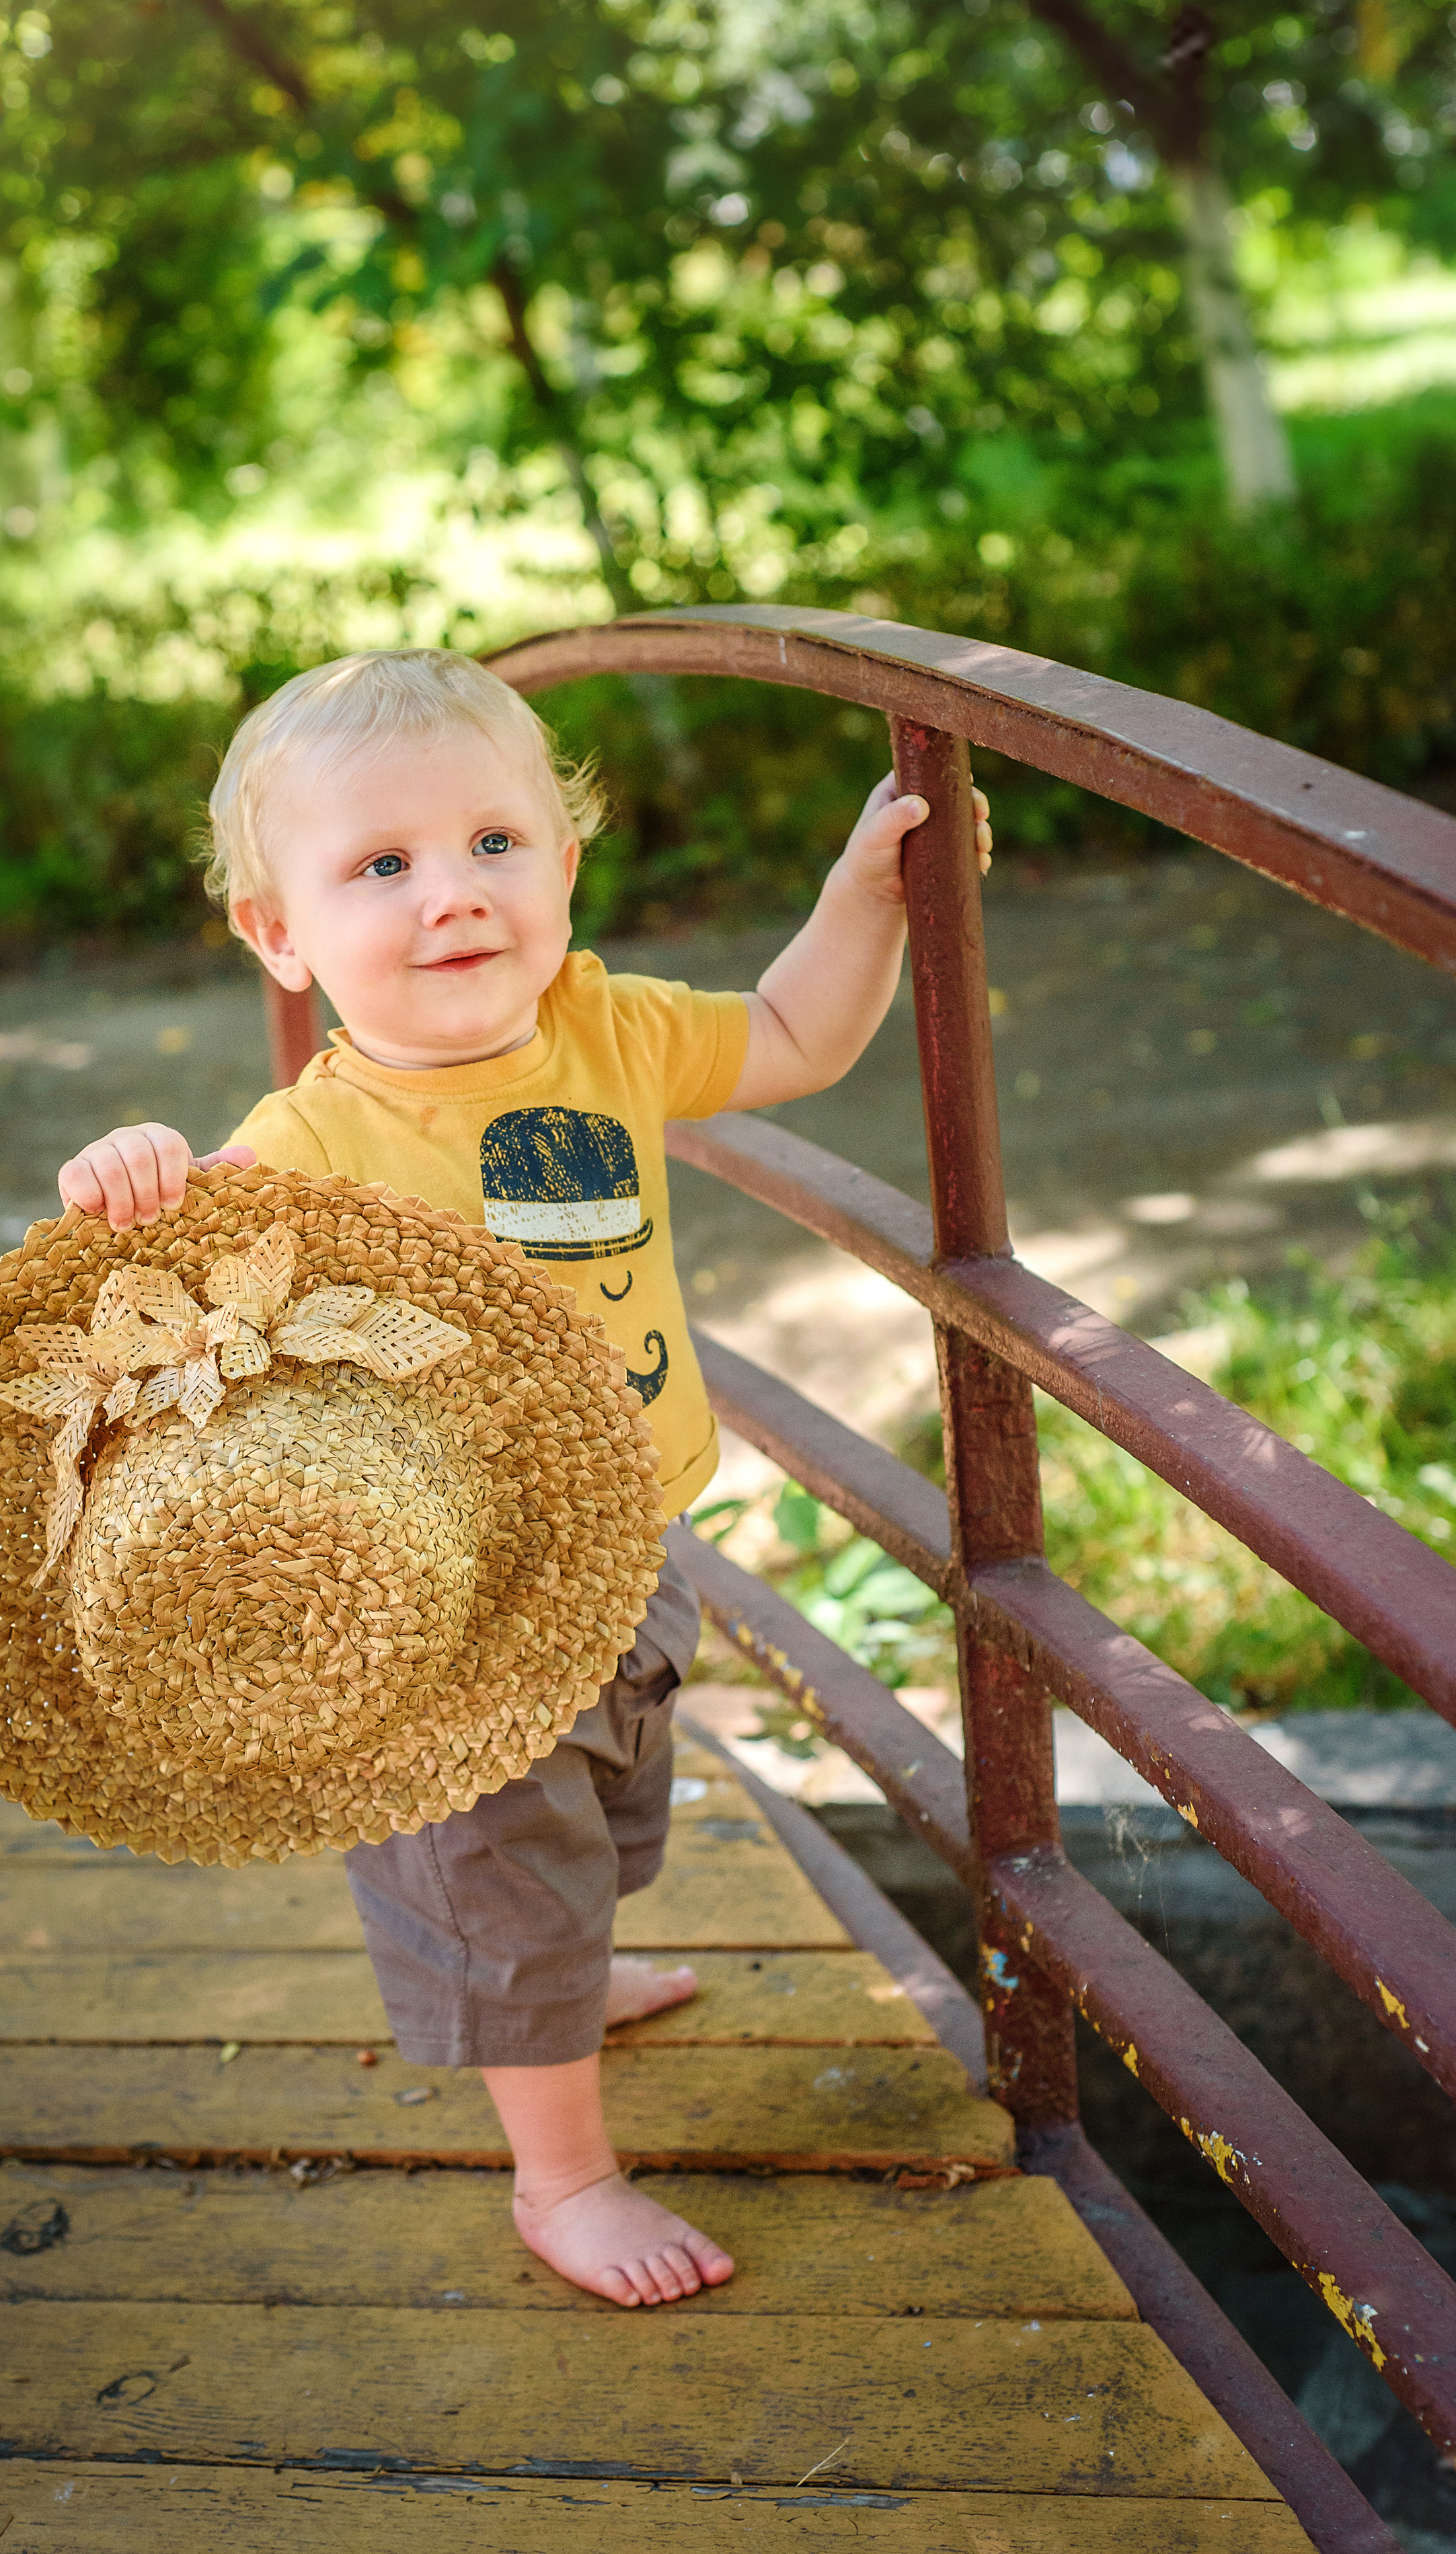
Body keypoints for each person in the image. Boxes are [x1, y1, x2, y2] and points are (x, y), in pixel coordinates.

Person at [57, 648, 990, 2310]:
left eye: (495, 844)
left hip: (623, 1542)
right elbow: (168, 1289)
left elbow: (791, 1033)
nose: (452, 898)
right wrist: (136, 1176)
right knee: (498, 1861)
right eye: (380, 868)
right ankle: (561, 2177)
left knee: (610, 1799)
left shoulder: (603, 1032)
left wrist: (870, 893)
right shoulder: (315, 1143)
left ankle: (574, 1964)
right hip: (444, 1606)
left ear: (563, 868)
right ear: (282, 936)